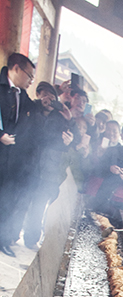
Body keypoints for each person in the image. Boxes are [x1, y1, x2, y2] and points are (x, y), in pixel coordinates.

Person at [21, 81, 74, 249]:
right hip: (27, 165)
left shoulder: (60, 117)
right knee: (21, 201)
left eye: (52, 97)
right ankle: (9, 235)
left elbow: (68, 141)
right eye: (44, 96)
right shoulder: (33, 109)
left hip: (47, 169)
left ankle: (31, 239)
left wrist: (69, 122)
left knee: (38, 205)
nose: (48, 100)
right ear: (38, 96)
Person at [0, 52, 37, 255]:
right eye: (29, 75)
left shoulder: (21, 93)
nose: (31, 81)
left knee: (6, 198)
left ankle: (2, 240)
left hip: (9, 158)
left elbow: (35, 110)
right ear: (15, 68)